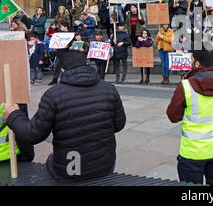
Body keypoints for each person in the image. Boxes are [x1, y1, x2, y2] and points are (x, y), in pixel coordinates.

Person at [2, 50, 126, 182]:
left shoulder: (53, 95)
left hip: (71, 169)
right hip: (105, 164)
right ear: (85, 65)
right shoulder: (109, 89)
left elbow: (33, 134)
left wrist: (13, 115)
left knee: (52, 158)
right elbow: (119, 124)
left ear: (62, 69)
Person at [166, 50, 213, 186]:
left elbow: (173, 116)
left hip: (192, 153)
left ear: (197, 63)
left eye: (191, 60)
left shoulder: (186, 86)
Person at [48, 21, 71, 86]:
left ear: (65, 27)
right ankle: (55, 79)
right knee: (56, 66)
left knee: (66, 67)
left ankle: (65, 80)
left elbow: (73, 42)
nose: (60, 28)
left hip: (67, 53)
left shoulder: (70, 34)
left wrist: (68, 45)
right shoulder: (59, 33)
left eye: (61, 26)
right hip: (59, 52)